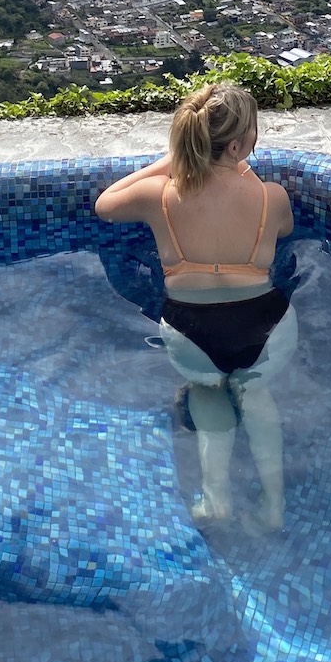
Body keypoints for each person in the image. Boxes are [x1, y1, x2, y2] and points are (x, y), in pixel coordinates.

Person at [94, 82, 296, 530]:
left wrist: (168, 163)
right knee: (257, 394)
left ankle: (216, 500)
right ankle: (273, 506)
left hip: (190, 327)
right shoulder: (272, 197)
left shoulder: (158, 195)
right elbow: (283, 231)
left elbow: (104, 205)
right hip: (265, 320)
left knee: (207, 392)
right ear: (236, 147)